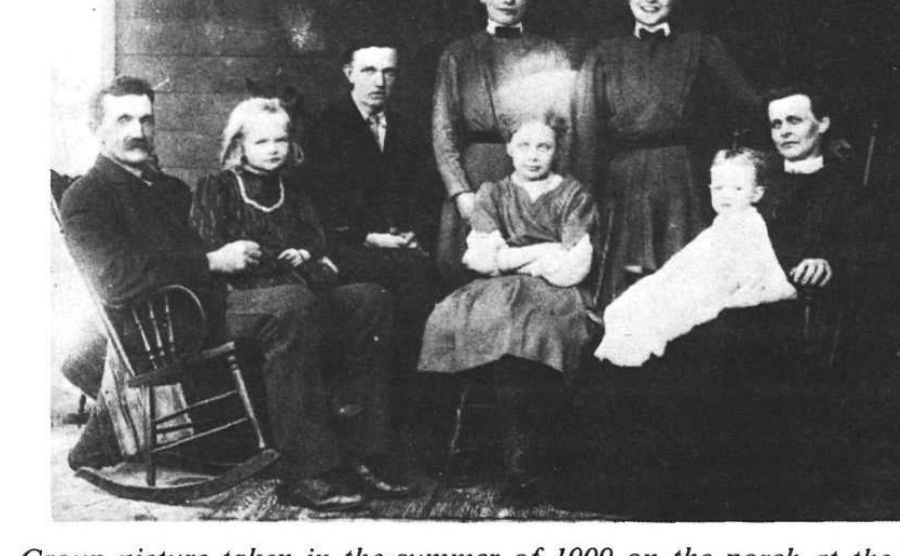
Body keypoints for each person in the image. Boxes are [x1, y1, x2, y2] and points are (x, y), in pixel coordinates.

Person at [60, 78, 404, 510]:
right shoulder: (86, 197)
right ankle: (306, 469)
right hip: (173, 324)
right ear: (97, 128)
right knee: (287, 306)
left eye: (146, 119)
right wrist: (211, 262)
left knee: (368, 300)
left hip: (219, 300)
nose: (139, 130)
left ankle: (364, 450)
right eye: (124, 119)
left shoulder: (167, 189)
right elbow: (113, 279)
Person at [418, 117, 597, 498]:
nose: (533, 156)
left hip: (553, 293)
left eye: (544, 147)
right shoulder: (492, 193)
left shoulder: (573, 195)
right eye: (525, 146)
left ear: (556, 151)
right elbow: (481, 258)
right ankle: (475, 453)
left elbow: (573, 267)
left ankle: (524, 464)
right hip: (495, 289)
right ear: (510, 149)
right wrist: (541, 251)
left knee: (530, 331)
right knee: (458, 322)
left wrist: (510, 257)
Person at [572, 0, 761, 308]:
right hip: (623, 182)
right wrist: (583, 202)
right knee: (623, 289)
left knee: (683, 287)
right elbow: (585, 133)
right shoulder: (604, 53)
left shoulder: (698, 46)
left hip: (680, 177)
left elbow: (750, 101)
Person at [304, 42, 443, 426]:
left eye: (388, 72)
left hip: (398, 245)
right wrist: (368, 236)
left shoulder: (405, 127)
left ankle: (413, 420)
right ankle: (381, 422)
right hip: (343, 246)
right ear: (349, 73)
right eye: (368, 71)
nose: (379, 81)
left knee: (427, 284)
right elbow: (320, 203)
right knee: (410, 286)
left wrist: (416, 231)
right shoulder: (325, 127)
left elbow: (423, 191)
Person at [432, 0, 572, 286]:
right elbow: (443, 132)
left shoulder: (551, 53)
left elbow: (565, 129)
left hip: (535, 175)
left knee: (531, 272)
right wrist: (461, 193)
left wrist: (553, 190)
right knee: (469, 271)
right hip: (478, 175)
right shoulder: (458, 55)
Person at [594, 148, 795, 367]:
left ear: (756, 193)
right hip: (695, 283)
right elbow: (684, 263)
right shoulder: (721, 224)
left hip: (713, 290)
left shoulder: (750, 225)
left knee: (660, 317)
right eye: (718, 188)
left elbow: (756, 270)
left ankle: (631, 357)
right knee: (629, 303)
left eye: (737, 188)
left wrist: (735, 295)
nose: (725, 195)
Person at [762, 86, 855, 287]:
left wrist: (827, 262)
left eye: (794, 121)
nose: (784, 132)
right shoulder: (757, 185)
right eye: (776, 125)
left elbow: (855, 252)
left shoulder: (845, 189)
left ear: (822, 123)